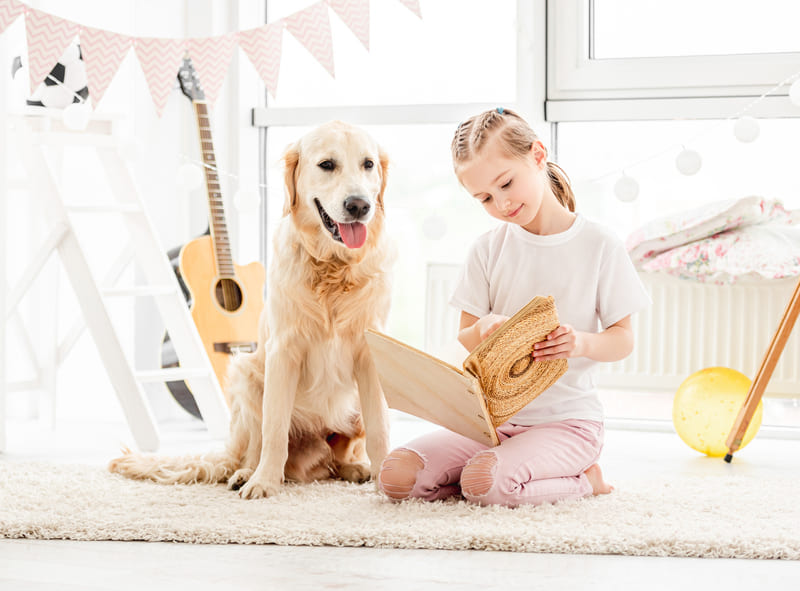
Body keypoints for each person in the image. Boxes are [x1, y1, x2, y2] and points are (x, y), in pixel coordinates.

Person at [378, 107, 650, 507]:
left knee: (487, 484)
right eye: (484, 197)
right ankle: (485, 475)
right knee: (397, 476)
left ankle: (584, 481)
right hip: (491, 422)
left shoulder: (598, 244)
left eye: (506, 183)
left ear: (538, 156)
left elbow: (622, 340)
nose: (502, 203)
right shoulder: (488, 249)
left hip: (568, 424)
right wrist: (485, 328)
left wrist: (580, 343)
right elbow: (465, 336)